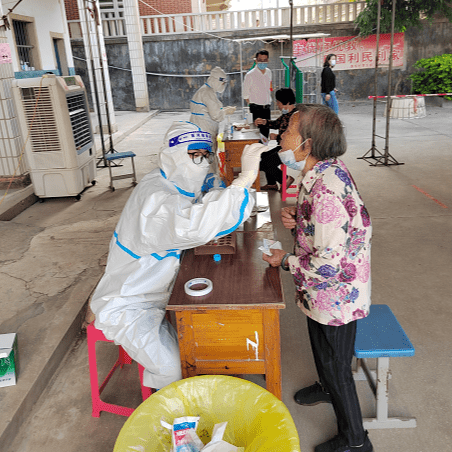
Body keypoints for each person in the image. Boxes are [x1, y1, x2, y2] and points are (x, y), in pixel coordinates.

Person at [90, 121, 266, 390]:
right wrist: (242, 182)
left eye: (206, 155)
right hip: (130, 302)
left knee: (208, 336)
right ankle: (172, 419)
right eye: (194, 154)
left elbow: (203, 196)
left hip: (163, 291)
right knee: (172, 367)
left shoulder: (174, 181)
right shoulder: (153, 198)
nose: (202, 161)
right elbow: (192, 225)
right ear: (171, 154)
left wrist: (225, 189)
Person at [262, 104, 373, 452]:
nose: (282, 135)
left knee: (338, 365)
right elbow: (332, 227)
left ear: (307, 145)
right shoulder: (323, 172)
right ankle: (326, 387)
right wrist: (302, 219)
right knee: (321, 348)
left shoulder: (324, 189)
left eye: (289, 130)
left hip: (337, 294)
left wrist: (285, 260)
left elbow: (329, 266)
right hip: (321, 292)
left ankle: (356, 441)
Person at [254, 87, 297, 191]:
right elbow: (276, 123)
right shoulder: (286, 115)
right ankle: (272, 184)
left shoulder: (296, 117)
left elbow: (294, 138)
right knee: (262, 156)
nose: (277, 105)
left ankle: (286, 179)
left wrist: (277, 137)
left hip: (292, 150)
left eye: (278, 103)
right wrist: (264, 121)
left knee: (265, 163)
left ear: (286, 102)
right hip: (283, 147)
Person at [190, 66, 236, 141]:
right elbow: (216, 115)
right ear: (216, 81)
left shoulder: (206, 90)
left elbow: (209, 109)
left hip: (200, 128)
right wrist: (226, 111)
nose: (223, 85)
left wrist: (224, 109)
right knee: (206, 151)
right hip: (204, 130)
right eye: (222, 83)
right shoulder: (207, 93)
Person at [243, 49, 272, 138]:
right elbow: (245, 94)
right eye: (260, 60)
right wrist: (254, 106)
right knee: (256, 135)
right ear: (256, 60)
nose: (262, 62)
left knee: (266, 134)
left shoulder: (269, 72)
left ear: (268, 60)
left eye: (264, 60)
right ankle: (257, 151)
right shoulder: (250, 75)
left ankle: (264, 150)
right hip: (256, 109)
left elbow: (269, 88)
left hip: (267, 108)